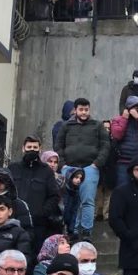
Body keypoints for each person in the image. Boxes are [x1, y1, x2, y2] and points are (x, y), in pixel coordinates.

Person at [56, 98, 110, 241]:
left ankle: (86, 232)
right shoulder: (66, 126)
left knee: (87, 201)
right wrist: (63, 165)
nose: (84, 112)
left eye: (86, 109)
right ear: (75, 110)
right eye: (81, 109)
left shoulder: (97, 126)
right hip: (69, 168)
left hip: (90, 168)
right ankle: (70, 230)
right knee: (69, 201)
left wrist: (97, 163)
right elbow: (58, 145)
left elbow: (105, 145)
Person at [8, 136, 61, 256]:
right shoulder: (13, 168)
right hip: (14, 222)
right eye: (29, 147)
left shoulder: (46, 171)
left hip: (37, 225)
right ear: (23, 149)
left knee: (34, 257)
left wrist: (43, 213)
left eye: (35, 147)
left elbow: (54, 196)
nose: (32, 150)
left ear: (40, 149)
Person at [110, 96, 138, 189]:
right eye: (136, 107)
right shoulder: (117, 120)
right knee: (122, 188)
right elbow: (117, 135)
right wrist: (124, 119)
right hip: (123, 162)